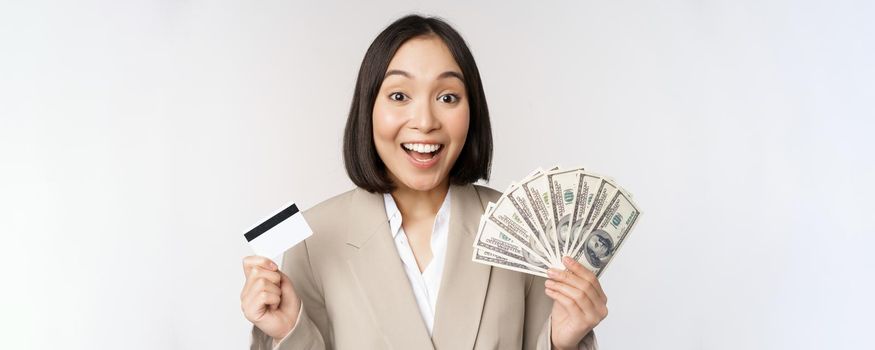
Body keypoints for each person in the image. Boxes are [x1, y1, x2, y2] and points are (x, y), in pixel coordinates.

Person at [240, 14, 607, 350]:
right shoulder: (314, 239)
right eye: (399, 96)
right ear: (368, 108)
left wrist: (562, 341)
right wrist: (289, 333)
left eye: (447, 97)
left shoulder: (522, 227)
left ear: (471, 110)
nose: (425, 120)